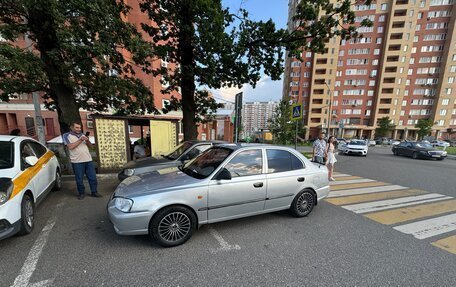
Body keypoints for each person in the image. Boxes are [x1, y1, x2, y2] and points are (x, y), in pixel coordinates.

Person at [63, 122, 101, 199]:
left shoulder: (83, 135)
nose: (79, 129)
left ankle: (94, 192)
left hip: (88, 160)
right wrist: (81, 140)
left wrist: (87, 141)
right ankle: (81, 193)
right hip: (77, 161)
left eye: (80, 128)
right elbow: (70, 147)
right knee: (79, 179)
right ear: (72, 127)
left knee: (93, 177)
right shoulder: (66, 135)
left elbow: (91, 147)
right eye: (77, 127)